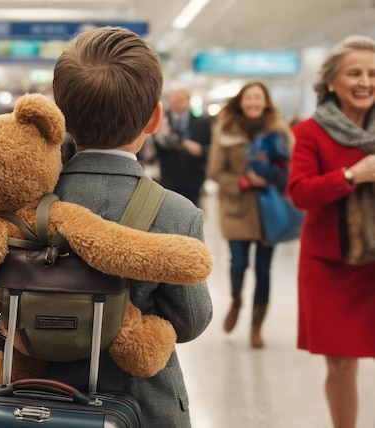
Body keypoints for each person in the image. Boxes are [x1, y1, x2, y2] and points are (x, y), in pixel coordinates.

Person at [0, 27, 213, 428]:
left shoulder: (9, 196)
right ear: (155, 117)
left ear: (60, 114)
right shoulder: (176, 213)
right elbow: (190, 323)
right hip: (136, 406)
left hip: (17, 405)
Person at [287, 35, 375, 428]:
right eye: (354, 73)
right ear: (333, 82)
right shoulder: (311, 132)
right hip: (332, 265)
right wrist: (350, 176)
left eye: (373, 74)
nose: (365, 82)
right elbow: (300, 192)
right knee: (342, 365)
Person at [207, 81, 294, 348]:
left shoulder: (280, 131)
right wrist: (242, 181)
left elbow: (293, 165)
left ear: (266, 102)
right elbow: (215, 171)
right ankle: (236, 300)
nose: (253, 103)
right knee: (239, 263)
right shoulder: (227, 130)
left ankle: (257, 324)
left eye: (258, 98)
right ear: (241, 102)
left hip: (269, 210)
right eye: (249, 98)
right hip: (237, 209)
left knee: (264, 269)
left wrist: (273, 176)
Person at [153, 88, 213, 207]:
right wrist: (159, 138)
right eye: (174, 100)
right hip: (169, 178)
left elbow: (211, 150)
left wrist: (201, 150)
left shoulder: (202, 122)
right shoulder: (163, 121)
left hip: (193, 179)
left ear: (188, 100)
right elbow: (156, 152)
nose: (177, 103)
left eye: (180, 100)